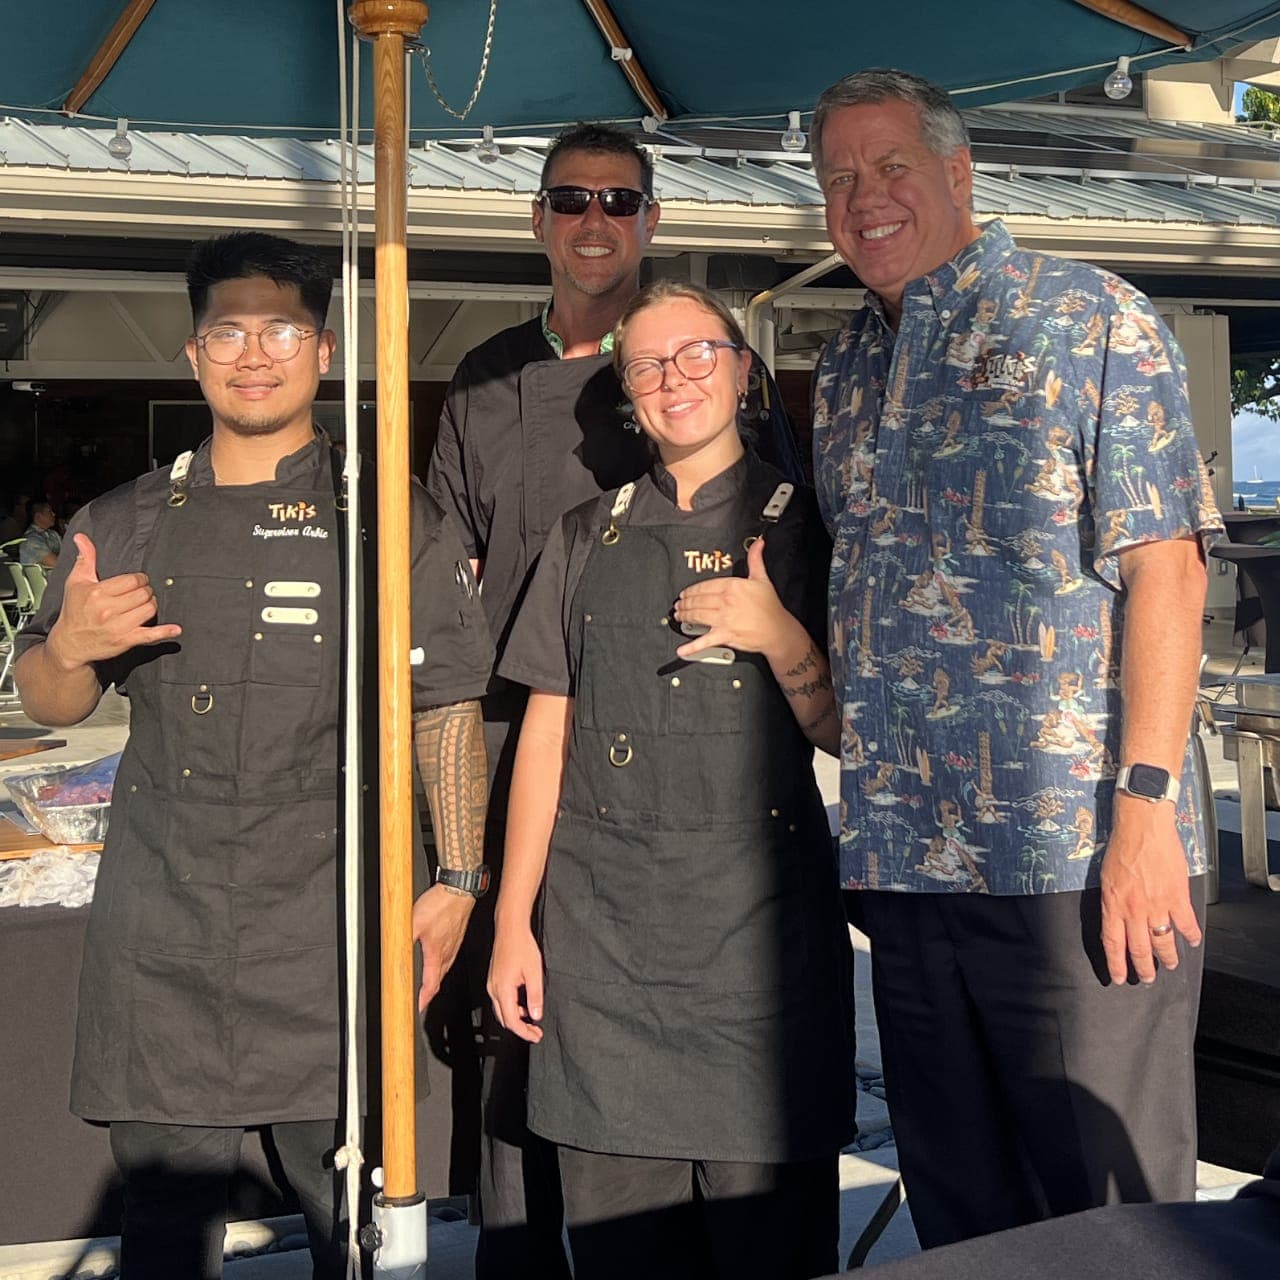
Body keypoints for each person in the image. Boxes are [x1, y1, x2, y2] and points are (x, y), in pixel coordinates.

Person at [14, 231, 494, 1279]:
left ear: (321, 348)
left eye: (279, 328)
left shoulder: (384, 516)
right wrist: (71, 642)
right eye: (227, 329)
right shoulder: (124, 518)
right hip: (162, 939)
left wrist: (457, 875)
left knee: (348, 1228)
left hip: (330, 935)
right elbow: (45, 694)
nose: (253, 352)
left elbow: (445, 701)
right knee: (161, 1232)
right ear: (194, 354)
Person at [809, 69, 1224, 1249]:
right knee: (962, 1215)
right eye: (838, 177)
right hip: (905, 859)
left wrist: (1142, 817)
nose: (864, 198)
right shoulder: (842, 366)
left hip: (1075, 860)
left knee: (1107, 1215)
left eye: (890, 167)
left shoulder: (1088, 315)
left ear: (955, 172)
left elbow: (1168, 570)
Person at [425, 121, 805, 1275]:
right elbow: (447, 588)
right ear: (537, 219)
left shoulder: (714, 388)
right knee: (519, 1041)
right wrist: (458, 852)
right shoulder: (486, 381)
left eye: (620, 200)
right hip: (527, 736)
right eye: (571, 199)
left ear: (651, 218)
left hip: (705, 757)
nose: (596, 220)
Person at [488, 280, 856, 1280]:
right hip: (603, 961)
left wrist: (774, 631)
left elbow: (844, 733)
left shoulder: (809, 526)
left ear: (742, 371)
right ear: (625, 391)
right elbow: (544, 738)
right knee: (621, 1260)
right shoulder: (579, 536)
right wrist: (514, 921)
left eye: (696, 353)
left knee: (768, 1254)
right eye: (646, 364)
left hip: (761, 967)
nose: (672, 378)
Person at [18, 500, 61, 567]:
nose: (53, 514)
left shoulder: (53, 534)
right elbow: (56, 564)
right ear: (38, 516)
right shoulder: (31, 539)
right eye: (49, 512)